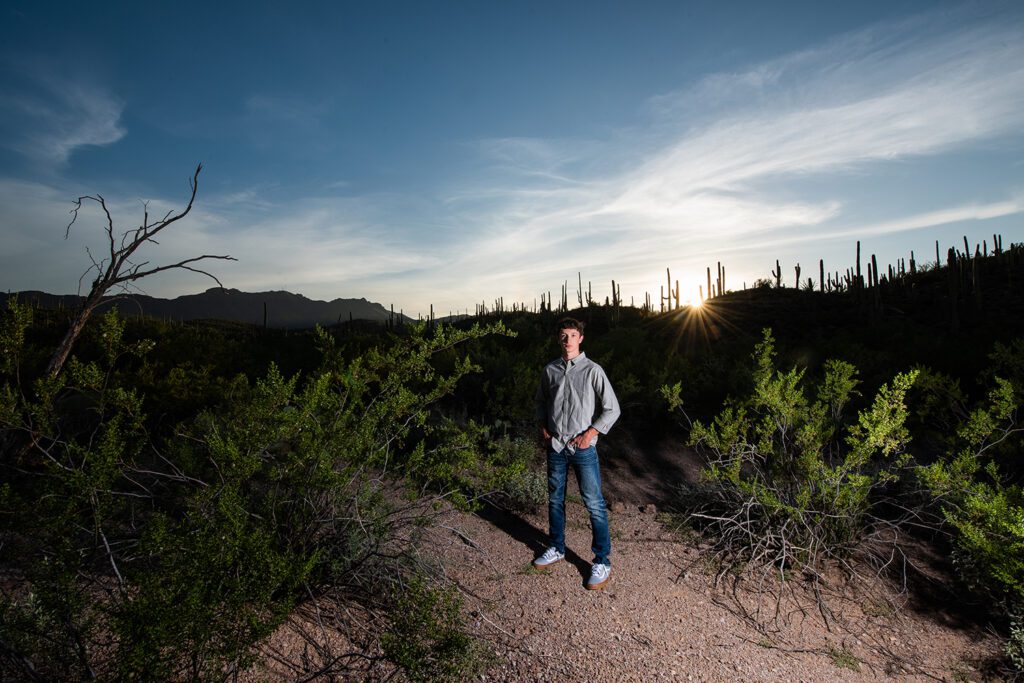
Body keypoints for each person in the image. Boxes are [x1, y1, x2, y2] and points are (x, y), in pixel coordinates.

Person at [533, 317, 621, 590]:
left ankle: (602, 561)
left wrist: (590, 434)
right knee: (555, 501)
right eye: (563, 335)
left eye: (573, 334)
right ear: (558, 339)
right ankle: (557, 547)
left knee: (594, 504)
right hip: (557, 447)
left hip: (582, 449)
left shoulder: (593, 370)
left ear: (581, 338)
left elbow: (612, 408)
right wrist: (544, 431)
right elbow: (540, 402)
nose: (568, 340)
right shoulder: (551, 370)